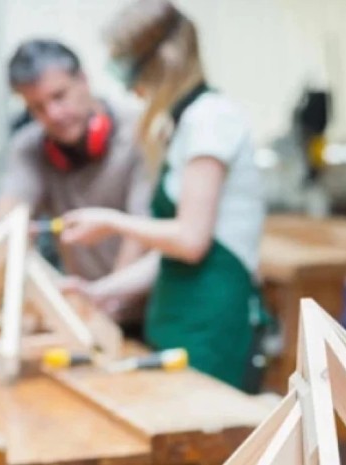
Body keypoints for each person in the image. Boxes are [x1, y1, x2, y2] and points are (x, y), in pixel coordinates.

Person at [58, 0, 268, 392]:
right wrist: (101, 291)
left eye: (127, 67)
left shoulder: (211, 119)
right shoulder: (185, 124)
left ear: (162, 63)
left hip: (213, 327)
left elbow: (190, 240)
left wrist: (111, 222)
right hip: (178, 322)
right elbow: (171, 255)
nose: (126, 84)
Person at [0, 39, 152, 326]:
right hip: (88, 313)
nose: (52, 114)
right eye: (37, 107)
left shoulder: (141, 133)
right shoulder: (29, 148)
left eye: (59, 96)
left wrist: (107, 300)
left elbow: (141, 231)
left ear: (83, 80)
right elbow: (3, 229)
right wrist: (53, 295)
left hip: (147, 309)